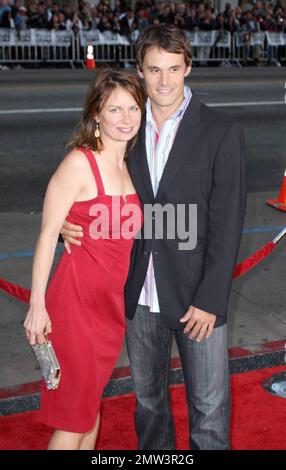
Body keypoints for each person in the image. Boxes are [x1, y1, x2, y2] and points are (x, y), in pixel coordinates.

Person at [61, 24, 247, 450]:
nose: (164, 81)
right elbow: (86, 182)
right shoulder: (124, 127)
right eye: (154, 69)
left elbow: (227, 221)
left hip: (197, 296)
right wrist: (69, 225)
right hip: (137, 292)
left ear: (189, 68)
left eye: (174, 69)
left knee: (210, 409)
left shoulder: (220, 131)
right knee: (148, 405)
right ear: (140, 71)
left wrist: (212, 298)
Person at [23, 69, 145, 450]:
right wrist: (36, 307)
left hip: (108, 309)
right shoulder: (80, 163)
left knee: (89, 409)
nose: (126, 118)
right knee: (75, 420)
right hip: (75, 306)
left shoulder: (129, 164)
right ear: (96, 114)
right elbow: (46, 235)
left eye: (133, 108)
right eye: (114, 109)